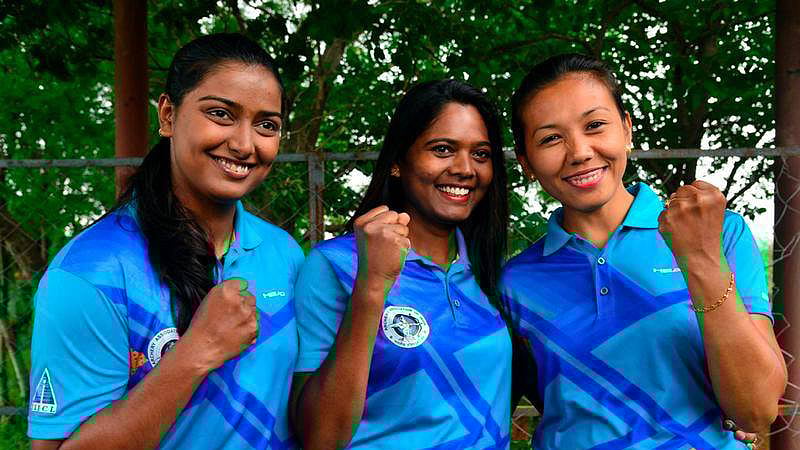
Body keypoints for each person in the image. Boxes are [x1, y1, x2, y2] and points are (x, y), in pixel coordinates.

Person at [27, 33, 304, 449]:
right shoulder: (90, 273)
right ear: (168, 114)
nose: (245, 144)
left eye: (267, 125)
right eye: (221, 114)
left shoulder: (283, 253)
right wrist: (197, 353)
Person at [501, 53, 787, 449]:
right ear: (526, 163)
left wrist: (699, 258)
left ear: (627, 129)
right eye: (551, 138)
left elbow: (755, 411)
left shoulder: (721, 233)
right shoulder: (515, 280)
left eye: (595, 125)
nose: (580, 151)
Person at [290, 79, 513, 449]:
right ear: (397, 162)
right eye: (443, 149)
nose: (465, 168)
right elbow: (320, 438)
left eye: (481, 154)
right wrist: (372, 286)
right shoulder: (336, 265)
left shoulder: (488, 271)